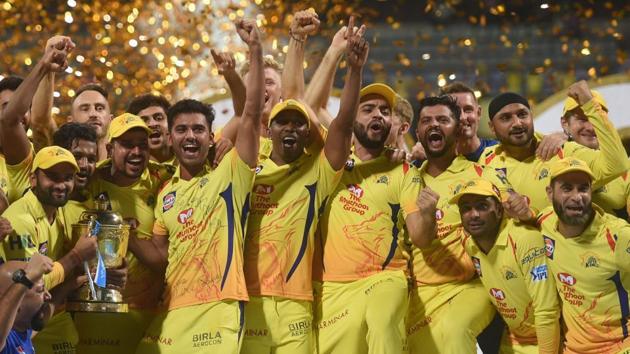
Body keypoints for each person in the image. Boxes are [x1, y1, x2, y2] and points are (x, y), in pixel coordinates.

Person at [130, 18, 265, 354]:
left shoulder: (231, 174)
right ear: (171, 139)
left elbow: (250, 114)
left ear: (210, 137)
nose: (190, 136)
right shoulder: (167, 194)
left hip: (218, 308)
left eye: (198, 129)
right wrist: (124, 234)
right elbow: (161, 256)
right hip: (173, 310)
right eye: (181, 130)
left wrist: (254, 51)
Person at [240, 14, 367, 354]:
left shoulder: (316, 172)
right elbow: (252, 113)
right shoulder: (247, 168)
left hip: (297, 304)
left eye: (300, 123)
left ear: (307, 131)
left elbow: (342, 124)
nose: (292, 128)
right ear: (271, 129)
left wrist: (354, 70)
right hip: (248, 301)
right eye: (284, 122)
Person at [314, 79, 436, 353]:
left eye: (384, 110)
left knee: (383, 327)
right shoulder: (331, 166)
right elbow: (312, 105)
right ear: (351, 120)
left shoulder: (404, 172)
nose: (378, 114)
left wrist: (428, 215)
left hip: (385, 278)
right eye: (368, 109)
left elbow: (420, 237)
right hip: (334, 288)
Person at [406, 95, 515, 354]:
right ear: (418, 132)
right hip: (421, 291)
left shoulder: (480, 173)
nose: (434, 125)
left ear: (457, 128)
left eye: (443, 120)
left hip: (470, 285)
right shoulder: (407, 180)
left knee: (455, 333)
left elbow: (515, 214)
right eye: (426, 121)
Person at [72, 113, 172, 354]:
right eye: (127, 144)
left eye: (142, 144)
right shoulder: (90, 181)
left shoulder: (163, 179)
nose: (137, 151)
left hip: (149, 312)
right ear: (109, 148)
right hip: (95, 312)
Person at [1, 146, 98, 354]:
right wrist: (76, 256)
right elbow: (29, 286)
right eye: (52, 177)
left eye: (68, 177)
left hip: (37, 322)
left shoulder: (58, 213)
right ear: (33, 179)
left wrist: (73, 282)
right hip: (12, 331)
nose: (61, 185)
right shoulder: (20, 219)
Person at [481, 80, 629, 216]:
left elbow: (617, 164)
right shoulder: (486, 160)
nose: (518, 123)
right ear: (492, 127)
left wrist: (589, 103)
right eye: (506, 118)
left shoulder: (566, 152)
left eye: (522, 115)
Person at [453, 179, 561, 353]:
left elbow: (547, 311)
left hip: (547, 339)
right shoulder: (469, 242)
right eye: (466, 208)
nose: (473, 215)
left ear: (498, 210)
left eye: (482, 206)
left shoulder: (525, 240)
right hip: (512, 340)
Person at [539, 158, 630, 354]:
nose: (577, 197)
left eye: (583, 188)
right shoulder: (545, 222)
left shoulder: (618, 236)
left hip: (619, 346)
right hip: (572, 348)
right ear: (549, 194)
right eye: (567, 188)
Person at [0, 36, 75, 205]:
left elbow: (40, 121)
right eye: (6, 105)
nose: (20, 113)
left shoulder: (33, 158)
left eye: (24, 107)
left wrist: (48, 66)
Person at [560, 91, 630, 220]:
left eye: (596, 119)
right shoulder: (552, 158)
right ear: (565, 123)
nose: (590, 127)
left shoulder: (626, 168)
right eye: (582, 119)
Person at [0, 253, 53, 354]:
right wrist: (27, 278)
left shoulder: (23, 331)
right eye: (40, 290)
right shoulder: (7, 339)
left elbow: (53, 305)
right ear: (17, 301)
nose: (48, 295)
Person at [68, 83, 113, 162]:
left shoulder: (124, 165)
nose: (93, 114)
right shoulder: (60, 164)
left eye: (99, 108)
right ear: (70, 121)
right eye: (85, 109)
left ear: (111, 119)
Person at [126, 94, 175, 165]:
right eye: (144, 120)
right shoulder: (125, 172)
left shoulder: (191, 162)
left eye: (159, 118)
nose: (152, 124)